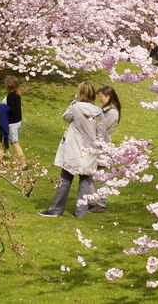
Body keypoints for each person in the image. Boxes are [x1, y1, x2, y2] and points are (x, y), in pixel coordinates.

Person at [39, 81, 102, 218]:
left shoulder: (75, 107)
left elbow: (66, 117)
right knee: (85, 181)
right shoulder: (98, 111)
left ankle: (56, 210)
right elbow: (101, 132)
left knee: (66, 179)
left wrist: (74, 102)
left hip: (74, 149)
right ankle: (81, 212)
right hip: (90, 150)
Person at [88, 85, 122, 213]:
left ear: (108, 96)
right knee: (91, 173)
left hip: (104, 146)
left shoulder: (112, 112)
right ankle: (92, 200)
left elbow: (102, 127)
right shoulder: (103, 109)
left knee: (102, 175)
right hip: (96, 144)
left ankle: (101, 203)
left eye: (101, 96)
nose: (100, 99)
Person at [0, 76, 26, 164]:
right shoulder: (17, 94)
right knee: (4, 143)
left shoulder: (11, 96)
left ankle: (23, 164)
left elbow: (12, 110)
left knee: (14, 143)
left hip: (12, 123)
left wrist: (2, 109)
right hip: (15, 122)